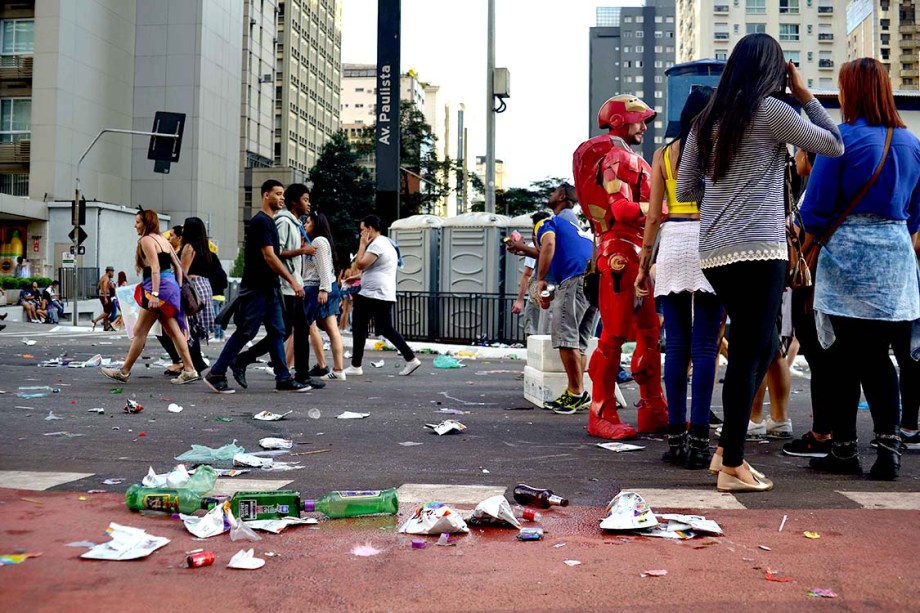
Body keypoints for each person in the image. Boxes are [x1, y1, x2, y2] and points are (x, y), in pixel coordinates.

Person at [676, 33, 844, 492]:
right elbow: (833, 144)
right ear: (774, 70)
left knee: (764, 346)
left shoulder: (705, 121)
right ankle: (732, 463)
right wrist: (806, 94)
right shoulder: (772, 112)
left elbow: (687, 189)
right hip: (759, 251)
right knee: (753, 351)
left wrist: (726, 185)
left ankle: (724, 452)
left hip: (714, 251)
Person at [800, 58, 920, 480]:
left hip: (849, 259)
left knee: (845, 358)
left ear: (851, 91)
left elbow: (814, 210)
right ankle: (889, 451)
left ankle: (845, 449)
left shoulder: (842, 138)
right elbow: (917, 212)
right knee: (881, 358)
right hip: (896, 258)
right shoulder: (912, 143)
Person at [635, 86, 723, 469]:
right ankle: (700, 440)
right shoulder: (723, 149)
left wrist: (642, 264)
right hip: (711, 241)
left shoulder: (664, 154)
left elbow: (653, 215)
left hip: (673, 242)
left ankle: (674, 438)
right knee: (705, 347)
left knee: (677, 344)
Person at [573, 94, 668, 440]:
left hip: (636, 252)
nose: (643, 126)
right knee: (613, 335)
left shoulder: (631, 157)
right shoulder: (617, 157)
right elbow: (622, 210)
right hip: (619, 252)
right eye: (638, 119)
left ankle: (653, 408)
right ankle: (601, 410)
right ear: (619, 121)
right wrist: (664, 210)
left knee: (649, 334)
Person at [203, 179, 309, 394]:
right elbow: (269, 256)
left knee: (278, 331)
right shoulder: (261, 221)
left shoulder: (269, 221)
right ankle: (216, 372)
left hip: (270, 287)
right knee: (246, 332)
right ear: (265, 195)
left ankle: (283, 377)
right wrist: (292, 280)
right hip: (257, 287)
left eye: (282, 194)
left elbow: (273, 256)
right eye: (277, 194)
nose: (281, 198)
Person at [231, 183, 323, 389]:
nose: (309, 204)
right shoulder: (282, 221)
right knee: (281, 331)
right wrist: (301, 252)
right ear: (294, 202)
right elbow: (275, 253)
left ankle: (298, 374)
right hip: (284, 285)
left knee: (296, 329)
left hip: (293, 283)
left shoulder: (293, 223)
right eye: (305, 200)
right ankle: (245, 361)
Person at [100, 209, 198, 385]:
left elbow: (155, 268)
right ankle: (189, 369)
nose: (135, 225)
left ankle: (124, 372)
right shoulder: (163, 240)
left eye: (138, 222)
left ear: (146, 223)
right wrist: (177, 288)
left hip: (157, 289)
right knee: (173, 330)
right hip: (169, 288)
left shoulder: (146, 240)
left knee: (140, 331)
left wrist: (154, 294)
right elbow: (177, 266)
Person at [533, 204, 596, 413]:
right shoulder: (574, 231)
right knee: (579, 342)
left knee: (564, 336)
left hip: (575, 278)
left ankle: (575, 392)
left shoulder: (546, 223)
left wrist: (540, 279)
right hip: (594, 280)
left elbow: (548, 244)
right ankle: (579, 392)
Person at [343, 214, 421, 377]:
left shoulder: (377, 244)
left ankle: (356, 365)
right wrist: (357, 278)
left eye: (363, 230)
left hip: (373, 293)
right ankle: (411, 359)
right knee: (385, 328)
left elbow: (361, 264)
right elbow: (378, 268)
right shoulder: (386, 243)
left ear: (370, 229)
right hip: (382, 292)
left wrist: (362, 244)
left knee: (359, 327)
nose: (361, 234)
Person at [305, 211, 347, 380]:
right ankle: (337, 369)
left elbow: (322, 267)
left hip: (320, 288)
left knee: (328, 329)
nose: (305, 225)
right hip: (323, 287)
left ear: (316, 224)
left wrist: (323, 289)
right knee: (329, 329)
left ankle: (338, 369)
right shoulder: (318, 241)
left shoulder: (319, 241)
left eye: (308, 222)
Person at [178, 217, 215, 374]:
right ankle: (196, 363)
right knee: (194, 328)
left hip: (192, 288)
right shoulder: (205, 248)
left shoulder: (188, 247)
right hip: (204, 286)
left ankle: (195, 364)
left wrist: (177, 289)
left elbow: (182, 272)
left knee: (188, 327)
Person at [92, 267, 115, 331]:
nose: (113, 273)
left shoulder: (102, 277)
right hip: (105, 295)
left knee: (106, 311)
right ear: (109, 272)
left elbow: (98, 286)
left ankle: (106, 326)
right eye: (112, 272)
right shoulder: (106, 278)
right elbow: (104, 287)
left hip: (102, 295)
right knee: (108, 311)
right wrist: (105, 297)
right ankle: (95, 320)